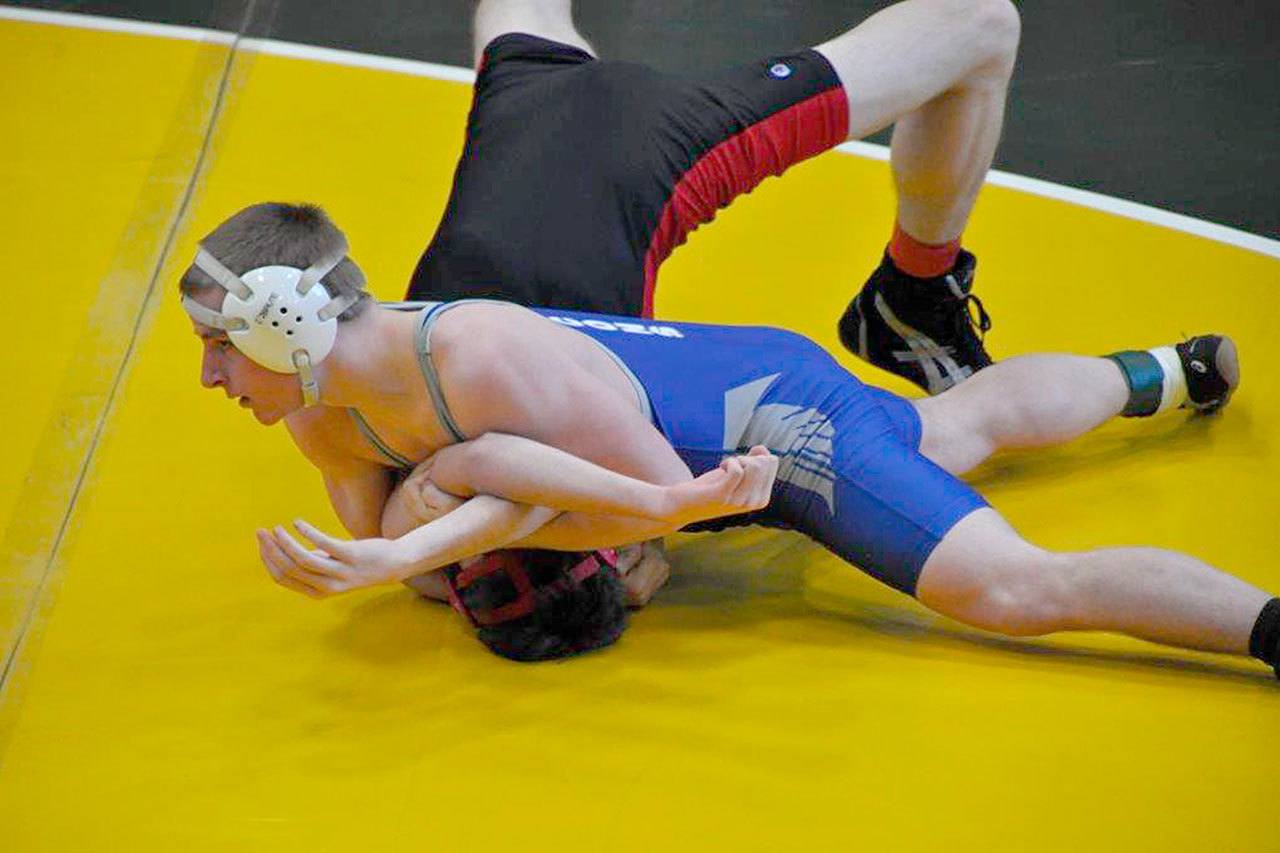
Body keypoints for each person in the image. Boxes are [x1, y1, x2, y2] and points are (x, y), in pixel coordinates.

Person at [180, 213, 1280, 678]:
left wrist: (456, 500)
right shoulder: (319, 405)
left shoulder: (483, 354)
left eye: (217, 351)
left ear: (287, 325)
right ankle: (1160, 372)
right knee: (949, 428)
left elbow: (673, 501)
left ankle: (1266, 629)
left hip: (758, 418)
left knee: (1005, 589)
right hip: (701, 393)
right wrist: (439, 525)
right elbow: (402, 556)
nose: (209, 378)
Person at [411, 0, 1020, 393]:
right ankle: (912, 296)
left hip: (552, 111)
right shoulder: (392, 400)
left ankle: (913, 291)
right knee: (986, 27)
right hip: (621, 132)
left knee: (985, 27)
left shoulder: (397, 412)